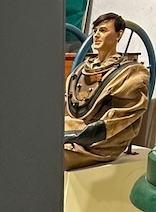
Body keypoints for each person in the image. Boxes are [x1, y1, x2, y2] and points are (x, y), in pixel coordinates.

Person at [64, 12, 149, 170]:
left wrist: (78, 134)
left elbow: (123, 116)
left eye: (103, 30)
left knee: (49, 155)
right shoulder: (81, 70)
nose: (96, 35)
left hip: (101, 145)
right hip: (71, 132)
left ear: (119, 35)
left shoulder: (132, 73)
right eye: (95, 31)